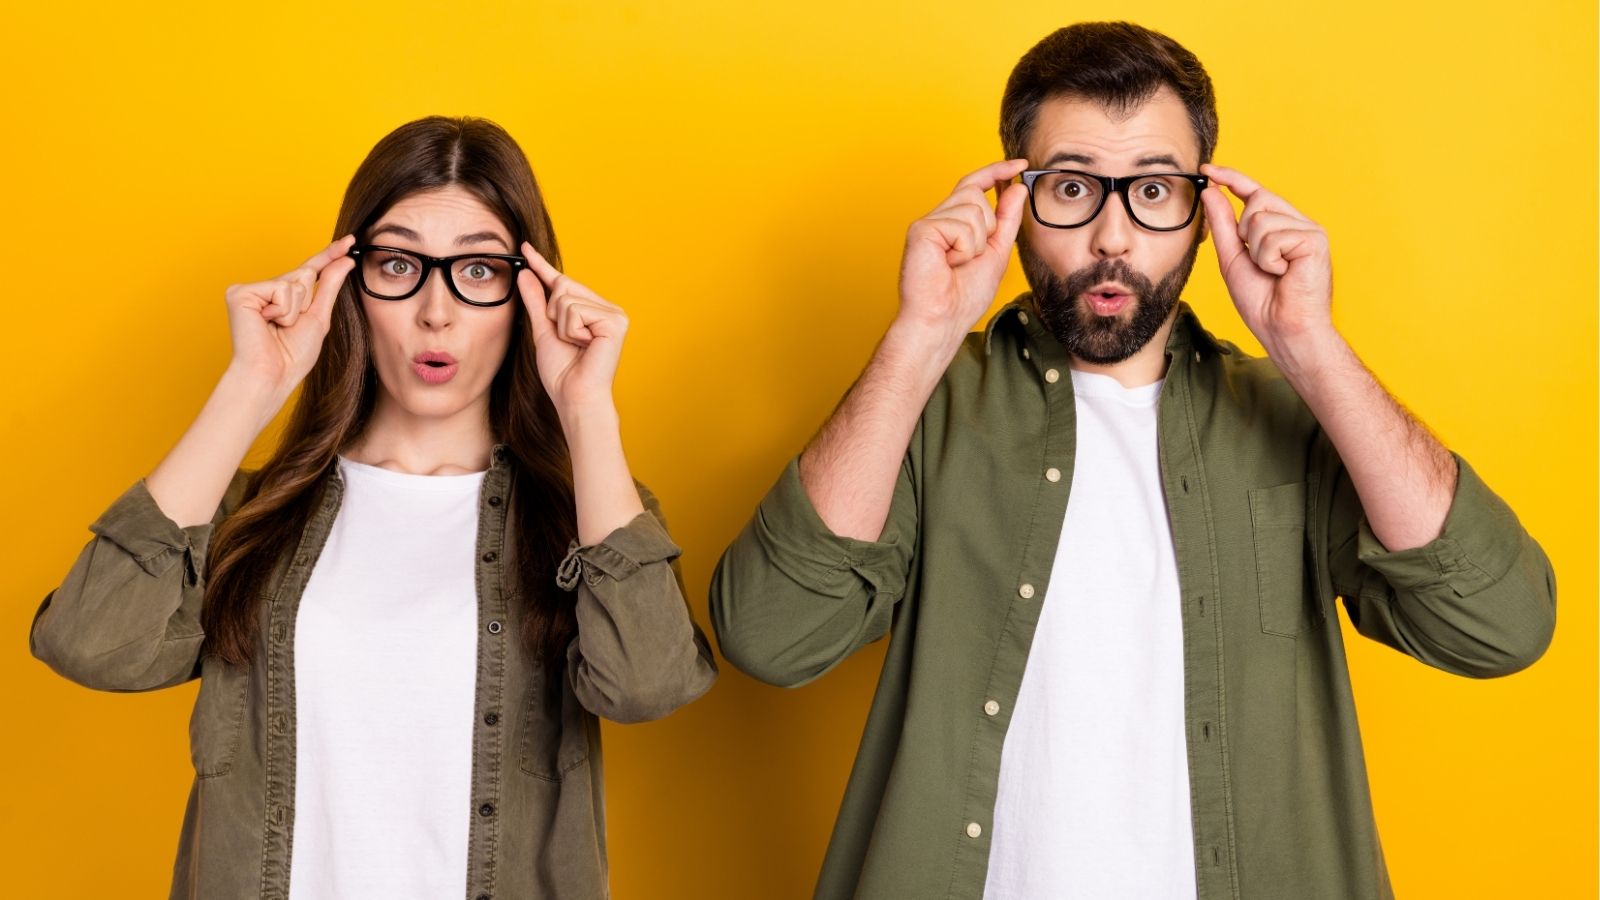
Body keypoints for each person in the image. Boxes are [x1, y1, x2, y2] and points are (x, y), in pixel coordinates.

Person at [708, 21, 1554, 900]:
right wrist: (918, 338)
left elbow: (1500, 625)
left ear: (1204, 207)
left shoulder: (1292, 416)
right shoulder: (929, 408)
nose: (1112, 237)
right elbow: (771, 636)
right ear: (1013, 199)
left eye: (1153, 189)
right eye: (1072, 187)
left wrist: (1311, 346)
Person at [30, 115, 717, 900]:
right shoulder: (253, 516)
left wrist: (587, 409)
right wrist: (252, 386)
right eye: (397, 264)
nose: (436, 311)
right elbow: (88, 645)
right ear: (346, 283)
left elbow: (647, 687)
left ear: (531, 294)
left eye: (480, 272)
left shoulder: (585, 518)